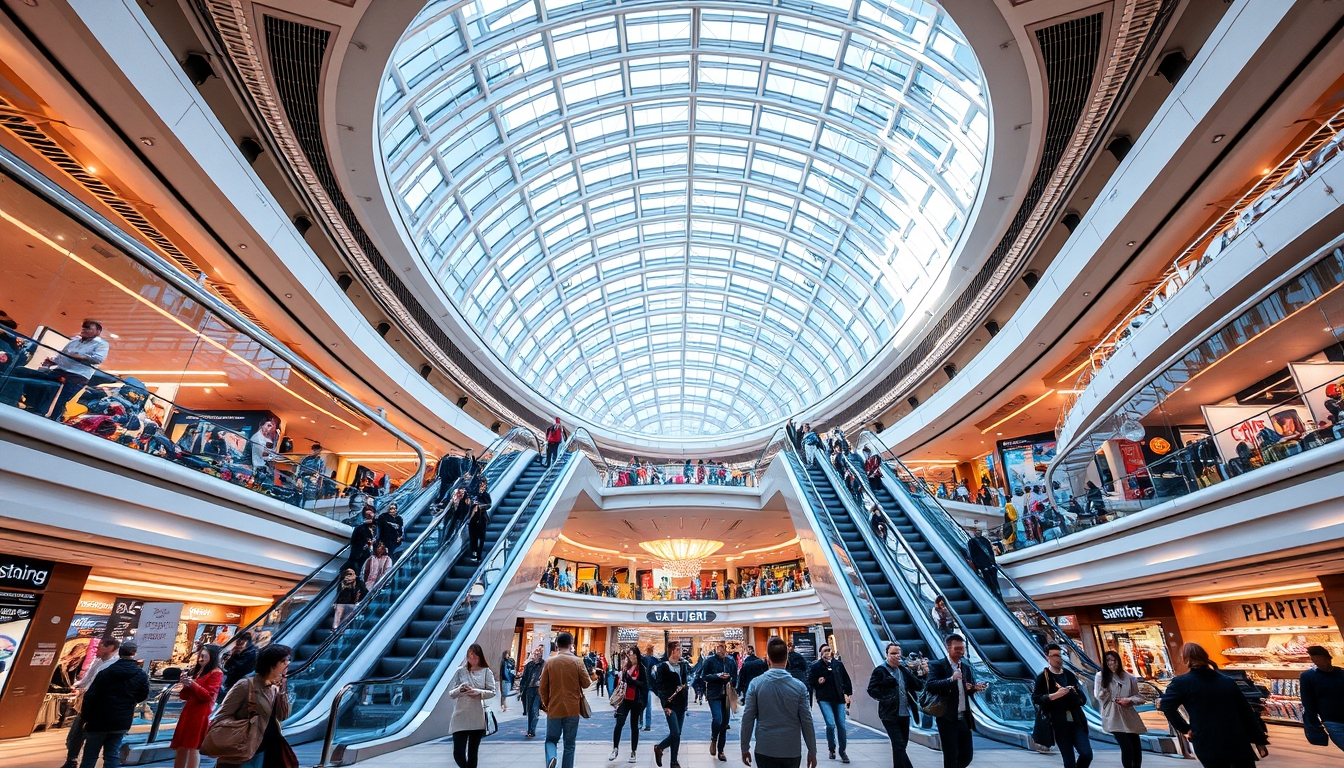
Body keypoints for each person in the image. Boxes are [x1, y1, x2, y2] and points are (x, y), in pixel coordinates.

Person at [1159, 643, 1268, 768]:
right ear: (1205, 656)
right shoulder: (1226, 681)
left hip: (1207, 740)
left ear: (1185, 659)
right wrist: (1259, 741)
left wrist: (1185, 728)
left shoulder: (1182, 683)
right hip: (1237, 739)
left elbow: (1166, 706)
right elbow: (1246, 712)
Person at [740, 637, 817, 768]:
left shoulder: (756, 684)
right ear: (787, 658)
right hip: (791, 750)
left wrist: (744, 747)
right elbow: (807, 721)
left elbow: (748, 718)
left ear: (768, 658)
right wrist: (812, 751)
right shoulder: (799, 687)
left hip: (765, 748)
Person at [214, 644, 292, 768]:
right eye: (283, 661)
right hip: (242, 750)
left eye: (288, 659)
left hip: (263, 748)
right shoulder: (245, 685)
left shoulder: (274, 687)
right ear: (271, 665)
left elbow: (283, 715)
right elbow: (222, 715)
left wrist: (282, 689)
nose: (288, 664)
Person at [14, 319, 108, 420]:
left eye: (88, 328)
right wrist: (53, 361)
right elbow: (62, 355)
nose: (84, 329)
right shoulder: (75, 340)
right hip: (59, 370)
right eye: (84, 327)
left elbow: (97, 359)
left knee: (59, 401)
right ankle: (33, 408)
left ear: (98, 331)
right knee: (28, 376)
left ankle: (51, 421)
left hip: (77, 376)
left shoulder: (101, 344)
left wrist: (76, 356)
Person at [77, 640, 149, 768]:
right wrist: (129, 703)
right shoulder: (141, 675)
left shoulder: (106, 672)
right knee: (112, 754)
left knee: (90, 755)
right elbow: (142, 695)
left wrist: (85, 717)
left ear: (120, 653)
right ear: (135, 654)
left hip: (98, 719)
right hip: (122, 719)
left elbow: (90, 696)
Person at [926, 634, 985, 768]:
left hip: (963, 717)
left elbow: (965, 689)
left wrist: (973, 688)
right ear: (948, 648)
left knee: (967, 755)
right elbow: (931, 685)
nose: (961, 652)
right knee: (950, 755)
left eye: (962, 649)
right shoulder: (938, 666)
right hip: (947, 717)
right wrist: (950, 679)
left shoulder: (965, 667)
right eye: (957, 649)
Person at [60, 637, 120, 768]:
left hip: (97, 708)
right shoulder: (98, 660)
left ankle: (74, 761)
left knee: (94, 745)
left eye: (100, 646)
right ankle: (72, 760)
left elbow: (97, 686)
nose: (96, 649)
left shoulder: (111, 665)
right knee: (75, 736)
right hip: (87, 705)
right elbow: (88, 679)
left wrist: (83, 691)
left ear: (110, 648)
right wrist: (78, 687)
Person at [866, 642, 924, 768]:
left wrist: (921, 672)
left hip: (904, 714)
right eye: (892, 653)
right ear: (886, 654)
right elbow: (871, 690)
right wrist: (886, 691)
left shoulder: (903, 670)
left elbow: (919, 685)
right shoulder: (880, 671)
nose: (896, 656)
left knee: (901, 746)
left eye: (898, 653)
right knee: (898, 745)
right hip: (889, 714)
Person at [1033, 643, 1092, 768]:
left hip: (1076, 721)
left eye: (1059, 656)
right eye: (1054, 656)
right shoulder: (1043, 678)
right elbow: (1036, 698)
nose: (1058, 659)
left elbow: (1082, 698)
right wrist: (1054, 695)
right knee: (1069, 760)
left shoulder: (1068, 675)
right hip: (1058, 723)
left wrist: (1075, 694)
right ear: (1047, 657)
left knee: (1087, 754)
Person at [540, 631, 591, 768]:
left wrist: (546, 704)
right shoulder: (577, 662)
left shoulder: (550, 663)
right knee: (569, 744)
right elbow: (586, 683)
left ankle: (552, 757)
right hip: (572, 708)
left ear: (557, 645)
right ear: (571, 645)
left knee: (551, 740)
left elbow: (542, 687)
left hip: (554, 708)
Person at [171, 645, 223, 768]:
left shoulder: (216, 673)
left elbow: (208, 695)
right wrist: (186, 685)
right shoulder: (200, 672)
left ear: (212, 657)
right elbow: (186, 696)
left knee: (192, 746)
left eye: (204, 656)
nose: (201, 659)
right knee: (182, 745)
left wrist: (193, 684)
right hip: (190, 711)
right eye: (200, 656)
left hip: (201, 713)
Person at [1094, 650, 1146, 768]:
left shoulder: (1129, 677)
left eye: (1114, 660)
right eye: (1108, 661)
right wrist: (1105, 685)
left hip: (1128, 714)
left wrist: (1129, 700)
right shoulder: (1100, 676)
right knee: (1127, 747)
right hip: (1113, 715)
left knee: (1136, 748)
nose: (1112, 663)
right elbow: (1098, 696)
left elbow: (1139, 697)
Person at [447, 643, 496, 768]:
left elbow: (492, 691)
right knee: (458, 752)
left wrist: (479, 692)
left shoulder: (486, 672)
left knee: (473, 752)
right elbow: (451, 693)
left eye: (474, 656)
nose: (472, 659)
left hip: (477, 715)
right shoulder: (460, 671)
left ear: (480, 657)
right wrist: (461, 689)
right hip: (460, 715)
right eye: (469, 656)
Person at [806, 645, 852, 763]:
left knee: (841, 725)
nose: (827, 652)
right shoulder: (816, 666)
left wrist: (847, 694)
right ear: (821, 653)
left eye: (828, 650)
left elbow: (846, 680)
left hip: (838, 698)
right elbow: (811, 682)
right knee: (830, 724)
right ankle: (832, 748)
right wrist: (818, 682)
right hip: (824, 698)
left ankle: (843, 751)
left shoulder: (838, 665)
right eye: (824, 651)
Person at [653, 640, 692, 768]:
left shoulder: (683, 665)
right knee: (674, 732)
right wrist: (666, 705)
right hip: (671, 705)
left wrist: (686, 702)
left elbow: (685, 684)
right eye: (678, 649)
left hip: (681, 704)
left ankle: (673, 761)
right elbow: (660, 688)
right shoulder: (663, 667)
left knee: (678, 733)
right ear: (672, 651)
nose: (681, 651)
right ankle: (660, 748)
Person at [700, 641, 739, 761]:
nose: (720, 650)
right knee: (717, 718)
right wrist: (717, 676)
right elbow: (704, 676)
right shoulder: (710, 661)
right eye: (718, 647)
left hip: (727, 694)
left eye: (722, 647)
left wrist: (730, 680)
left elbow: (735, 676)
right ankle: (713, 738)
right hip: (714, 693)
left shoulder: (731, 661)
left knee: (725, 723)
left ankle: (721, 750)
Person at [1302, 644, 1344, 752]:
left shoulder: (1341, 674)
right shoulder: (1308, 677)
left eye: (1322, 659)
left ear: (1329, 658)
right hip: (1331, 720)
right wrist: (1313, 722)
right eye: (1315, 661)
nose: (1320, 663)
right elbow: (1308, 701)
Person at [612, 647, 649, 763]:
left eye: (633, 655)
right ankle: (615, 748)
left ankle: (633, 751)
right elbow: (618, 683)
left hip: (636, 700)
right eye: (629, 655)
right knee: (619, 723)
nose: (631, 657)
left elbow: (644, 685)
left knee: (634, 726)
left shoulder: (641, 669)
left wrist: (630, 680)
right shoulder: (625, 667)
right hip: (624, 699)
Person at [219, 632, 257, 704]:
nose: (237, 644)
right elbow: (227, 666)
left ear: (246, 641)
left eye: (240, 641)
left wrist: (234, 655)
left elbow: (241, 667)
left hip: (239, 682)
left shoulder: (252, 653)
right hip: (231, 681)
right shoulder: (239, 652)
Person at [965, 529, 1001, 599]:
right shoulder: (984, 540)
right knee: (995, 586)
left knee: (989, 586)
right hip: (991, 566)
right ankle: (999, 599)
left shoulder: (971, 542)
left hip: (983, 569)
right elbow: (990, 552)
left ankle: (994, 598)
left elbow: (974, 557)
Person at [348, 506, 380, 574]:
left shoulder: (377, 528)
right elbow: (353, 541)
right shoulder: (360, 528)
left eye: (370, 514)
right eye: (367, 515)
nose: (369, 517)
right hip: (359, 555)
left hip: (371, 556)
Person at [467, 478, 491, 560]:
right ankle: (474, 552)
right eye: (481, 484)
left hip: (481, 519)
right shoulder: (473, 494)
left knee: (481, 536)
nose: (482, 486)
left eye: (484, 485)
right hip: (472, 519)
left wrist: (479, 506)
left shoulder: (486, 495)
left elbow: (488, 504)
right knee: (473, 537)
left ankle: (479, 555)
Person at [643, 644, 661, 732]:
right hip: (649, 685)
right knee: (648, 706)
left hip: (643, 685)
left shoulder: (643, 659)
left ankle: (641, 723)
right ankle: (647, 724)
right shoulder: (654, 660)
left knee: (643, 705)